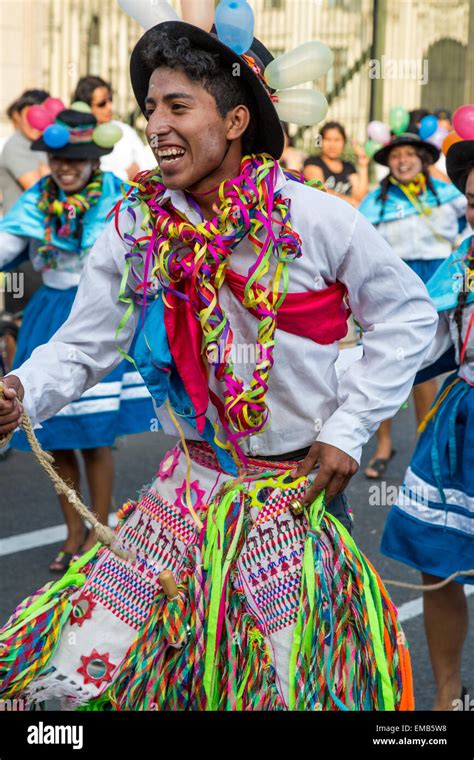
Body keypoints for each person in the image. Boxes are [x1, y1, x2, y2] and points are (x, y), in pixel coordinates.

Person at [0, 21, 438, 711]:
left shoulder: (317, 220)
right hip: (187, 491)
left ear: (235, 120)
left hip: (295, 498)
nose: (157, 125)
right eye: (150, 108)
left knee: (296, 687)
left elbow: (409, 315)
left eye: (178, 106)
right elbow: (86, 346)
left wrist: (349, 428)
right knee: (90, 674)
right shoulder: (135, 227)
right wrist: (22, 389)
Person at [0, 106, 154, 572]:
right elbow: (6, 245)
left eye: (75, 160)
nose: (65, 168)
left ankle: (98, 530)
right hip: (49, 317)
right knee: (56, 436)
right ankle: (72, 532)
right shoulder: (35, 202)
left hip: (101, 318)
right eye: (57, 159)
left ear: (93, 160)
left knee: (94, 436)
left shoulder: (119, 198)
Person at [380, 136, 474, 711]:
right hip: (460, 421)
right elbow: (427, 338)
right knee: (437, 560)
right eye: (472, 199)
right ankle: (447, 696)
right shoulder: (467, 257)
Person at [359, 132, 467, 479]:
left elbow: (467, 229)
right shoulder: (376, 200)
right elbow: (359, 242)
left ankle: (425, 439)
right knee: (381, 361)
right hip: (393, 285)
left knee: (427, 367)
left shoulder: (449, 195)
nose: (402, 161)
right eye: (395, 156)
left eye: (410, 154)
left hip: (437, 282)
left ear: (423, 159)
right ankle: (383, 444)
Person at [0, 90, 51, 318]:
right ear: (19, 117)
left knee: (38, 314)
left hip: (41, 246)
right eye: (31, 116)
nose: (36, 122)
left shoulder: (42, 145)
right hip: (18, 247)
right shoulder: (15, 146)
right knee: (17, 314)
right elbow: (41, 187)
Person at [72, 75, 155, 182]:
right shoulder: (77, 138)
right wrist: (126, 174)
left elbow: (145, 163)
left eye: (110, 100)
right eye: (102, 104)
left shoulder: (124, 130)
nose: (110, 107)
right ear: (85, 107)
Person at [303, 121, 369, 206]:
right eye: (327, 139)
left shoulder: (349, 167)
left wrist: (363, 166)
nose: (332, 145)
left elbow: (361, 198)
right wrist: (351, 202)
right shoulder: (312, 163)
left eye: (337, 140)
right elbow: (320, 191)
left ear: (344, 142)